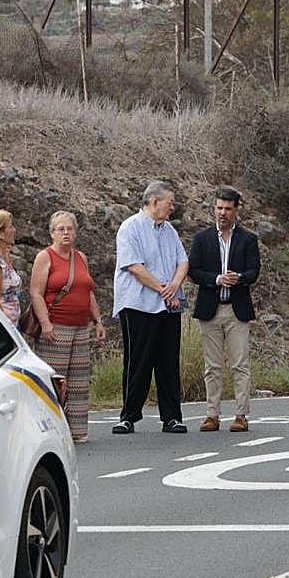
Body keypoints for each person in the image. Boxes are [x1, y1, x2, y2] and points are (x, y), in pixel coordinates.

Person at [112, 180, 189, 435]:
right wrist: (162, 288)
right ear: (154, 201)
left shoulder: (169, 231)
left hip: (168, 305)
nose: (172, 208)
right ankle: (129, 416)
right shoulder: (130, 227)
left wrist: (174, 286)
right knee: (138, 360)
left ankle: (172, 417)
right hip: (138, 304)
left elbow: (182, 260)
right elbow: (134, 266)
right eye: (170, 203)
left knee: (168, 361)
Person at [29, 210, 107, 443]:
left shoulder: (80, 257)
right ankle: (51, 430)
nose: (66, 233)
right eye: (61, 229)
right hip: (56, 325)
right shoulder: (45, 257)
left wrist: (98, 321)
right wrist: (45, 323)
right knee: (56, 380)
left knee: (79, 381)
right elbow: (36, 292)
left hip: (80, 326)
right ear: (52, 233)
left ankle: (77, 430)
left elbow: (87, 290)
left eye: (70, 228)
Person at [188, 187, 261, 433]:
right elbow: (194, 271)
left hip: (237, 309)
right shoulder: (202, 238)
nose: (222, 213)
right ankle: (212, 414)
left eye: (228, 209)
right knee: (212, 366)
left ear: (236, 211)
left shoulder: (248, 239)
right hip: (210, 308)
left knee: (240, 364)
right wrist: (216, 279)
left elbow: (254, 270)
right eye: (219, 208)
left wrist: (239, 277)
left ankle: (241, 414)